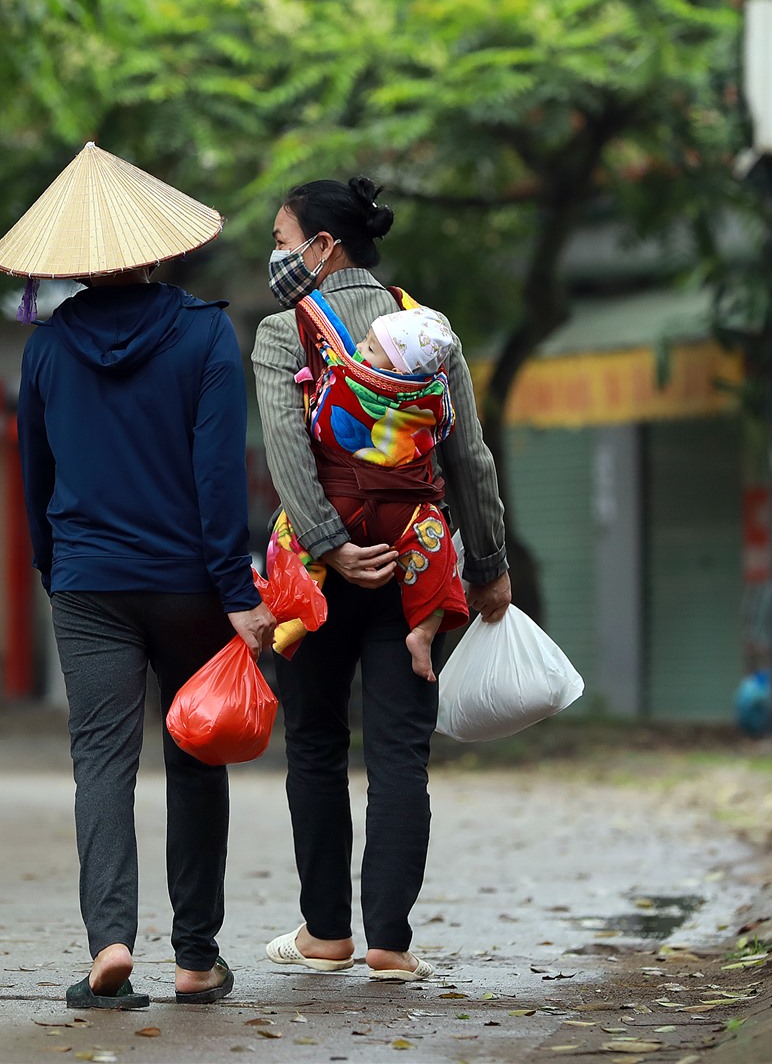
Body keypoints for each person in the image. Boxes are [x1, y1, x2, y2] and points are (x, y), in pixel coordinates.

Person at [0, 142, 277, 1011]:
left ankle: (110, 942)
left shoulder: (45, 351)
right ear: (158, 246)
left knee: (102, 764)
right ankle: (195, 958)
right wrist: (236, 589)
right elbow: (220, 473)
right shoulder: (206, 335)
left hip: (87, 583)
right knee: (198, 751)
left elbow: (33, 478)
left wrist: (55, 571)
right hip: (192, 582)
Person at [252, 176, 512, 983]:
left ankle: (325, 933)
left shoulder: (280, 330)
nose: (279, 257)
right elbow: (467, 456)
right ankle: (390, 941)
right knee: (401, 751)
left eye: (285, 241)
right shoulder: (429, 329)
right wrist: (491, 565)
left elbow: (286, 457)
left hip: (317, 578)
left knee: (319, 746)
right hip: (416, 567)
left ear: (324, 247)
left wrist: (328, 545)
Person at [270, 301, 470, 681]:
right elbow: (444, 436)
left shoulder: (346, 376)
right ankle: (423, 633)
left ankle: (289, 616)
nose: (359, 349)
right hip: (407, 513)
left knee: (291, 533)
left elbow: (320, 429)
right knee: (438, 553)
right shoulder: (432, 397)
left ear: (395, 368)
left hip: (338, 503)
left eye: (371, 347)